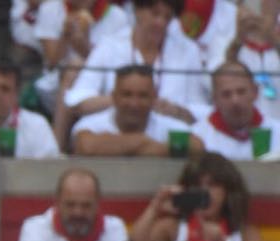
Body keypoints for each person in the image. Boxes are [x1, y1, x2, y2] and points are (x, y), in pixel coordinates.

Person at [61, 0, 205, 130]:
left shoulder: (188, 51)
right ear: (137, 11)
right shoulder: (110, 46)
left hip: (166, 134)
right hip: (115, 133)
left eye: (167, 17)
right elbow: (78, 102)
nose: (160, 22)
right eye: (155, 14)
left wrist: (176, 111)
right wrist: (126, 101)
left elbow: (200, 111)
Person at [130, 153, 260, 241]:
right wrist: (154, 208)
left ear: (227, 192)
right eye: (197, 185)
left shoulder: (245, 233)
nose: (204, 192)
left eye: (213, 185)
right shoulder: (172, 228)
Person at [71, 64, 202, 157]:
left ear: (154, 98)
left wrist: (120, 146)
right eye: (127, 95)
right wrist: (143, 142)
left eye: (142, 96)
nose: (134, 104)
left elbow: (196, 147)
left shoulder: (170, 127)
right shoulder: (91, 125)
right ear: (114, 97)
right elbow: (86, 146)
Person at [190, 62, 269, 157]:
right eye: (226, 94)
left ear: (255, 92)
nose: (235, 101)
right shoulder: (197, 138)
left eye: (241, 92)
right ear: (215, 99)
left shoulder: (277, 132)